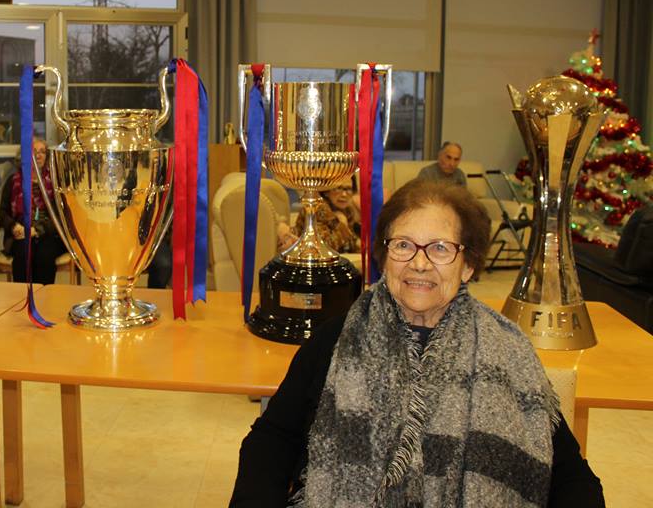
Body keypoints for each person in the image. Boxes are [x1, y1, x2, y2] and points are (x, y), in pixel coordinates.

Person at [231, 179, 604, 507]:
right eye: (404, 245)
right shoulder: (335, 339)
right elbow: (273, 440)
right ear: (385, 257)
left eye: (440, 248)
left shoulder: (509, 352)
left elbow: (570, 475)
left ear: (468, 265)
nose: (420, 264)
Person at [0, 137, 66, 284]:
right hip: (20, 232)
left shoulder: (56, 182)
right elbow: (2, 212)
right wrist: (13, 226)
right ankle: (22, 295)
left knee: (44, 256)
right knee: (23, 253)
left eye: (42, 152)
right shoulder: (13, 181)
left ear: (47, 156)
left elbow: (61, 216)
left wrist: (37, 230)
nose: (38, 155)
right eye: (34, 151)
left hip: (49, 233)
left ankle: (44, 295)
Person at [277, 177, 361, 254]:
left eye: (348, 189)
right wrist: (343, 226)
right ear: (327, 191)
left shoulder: (347, 210)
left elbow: (351, 243)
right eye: (338, 188)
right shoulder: (317, 208)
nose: (344, 194)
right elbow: (322, 248)